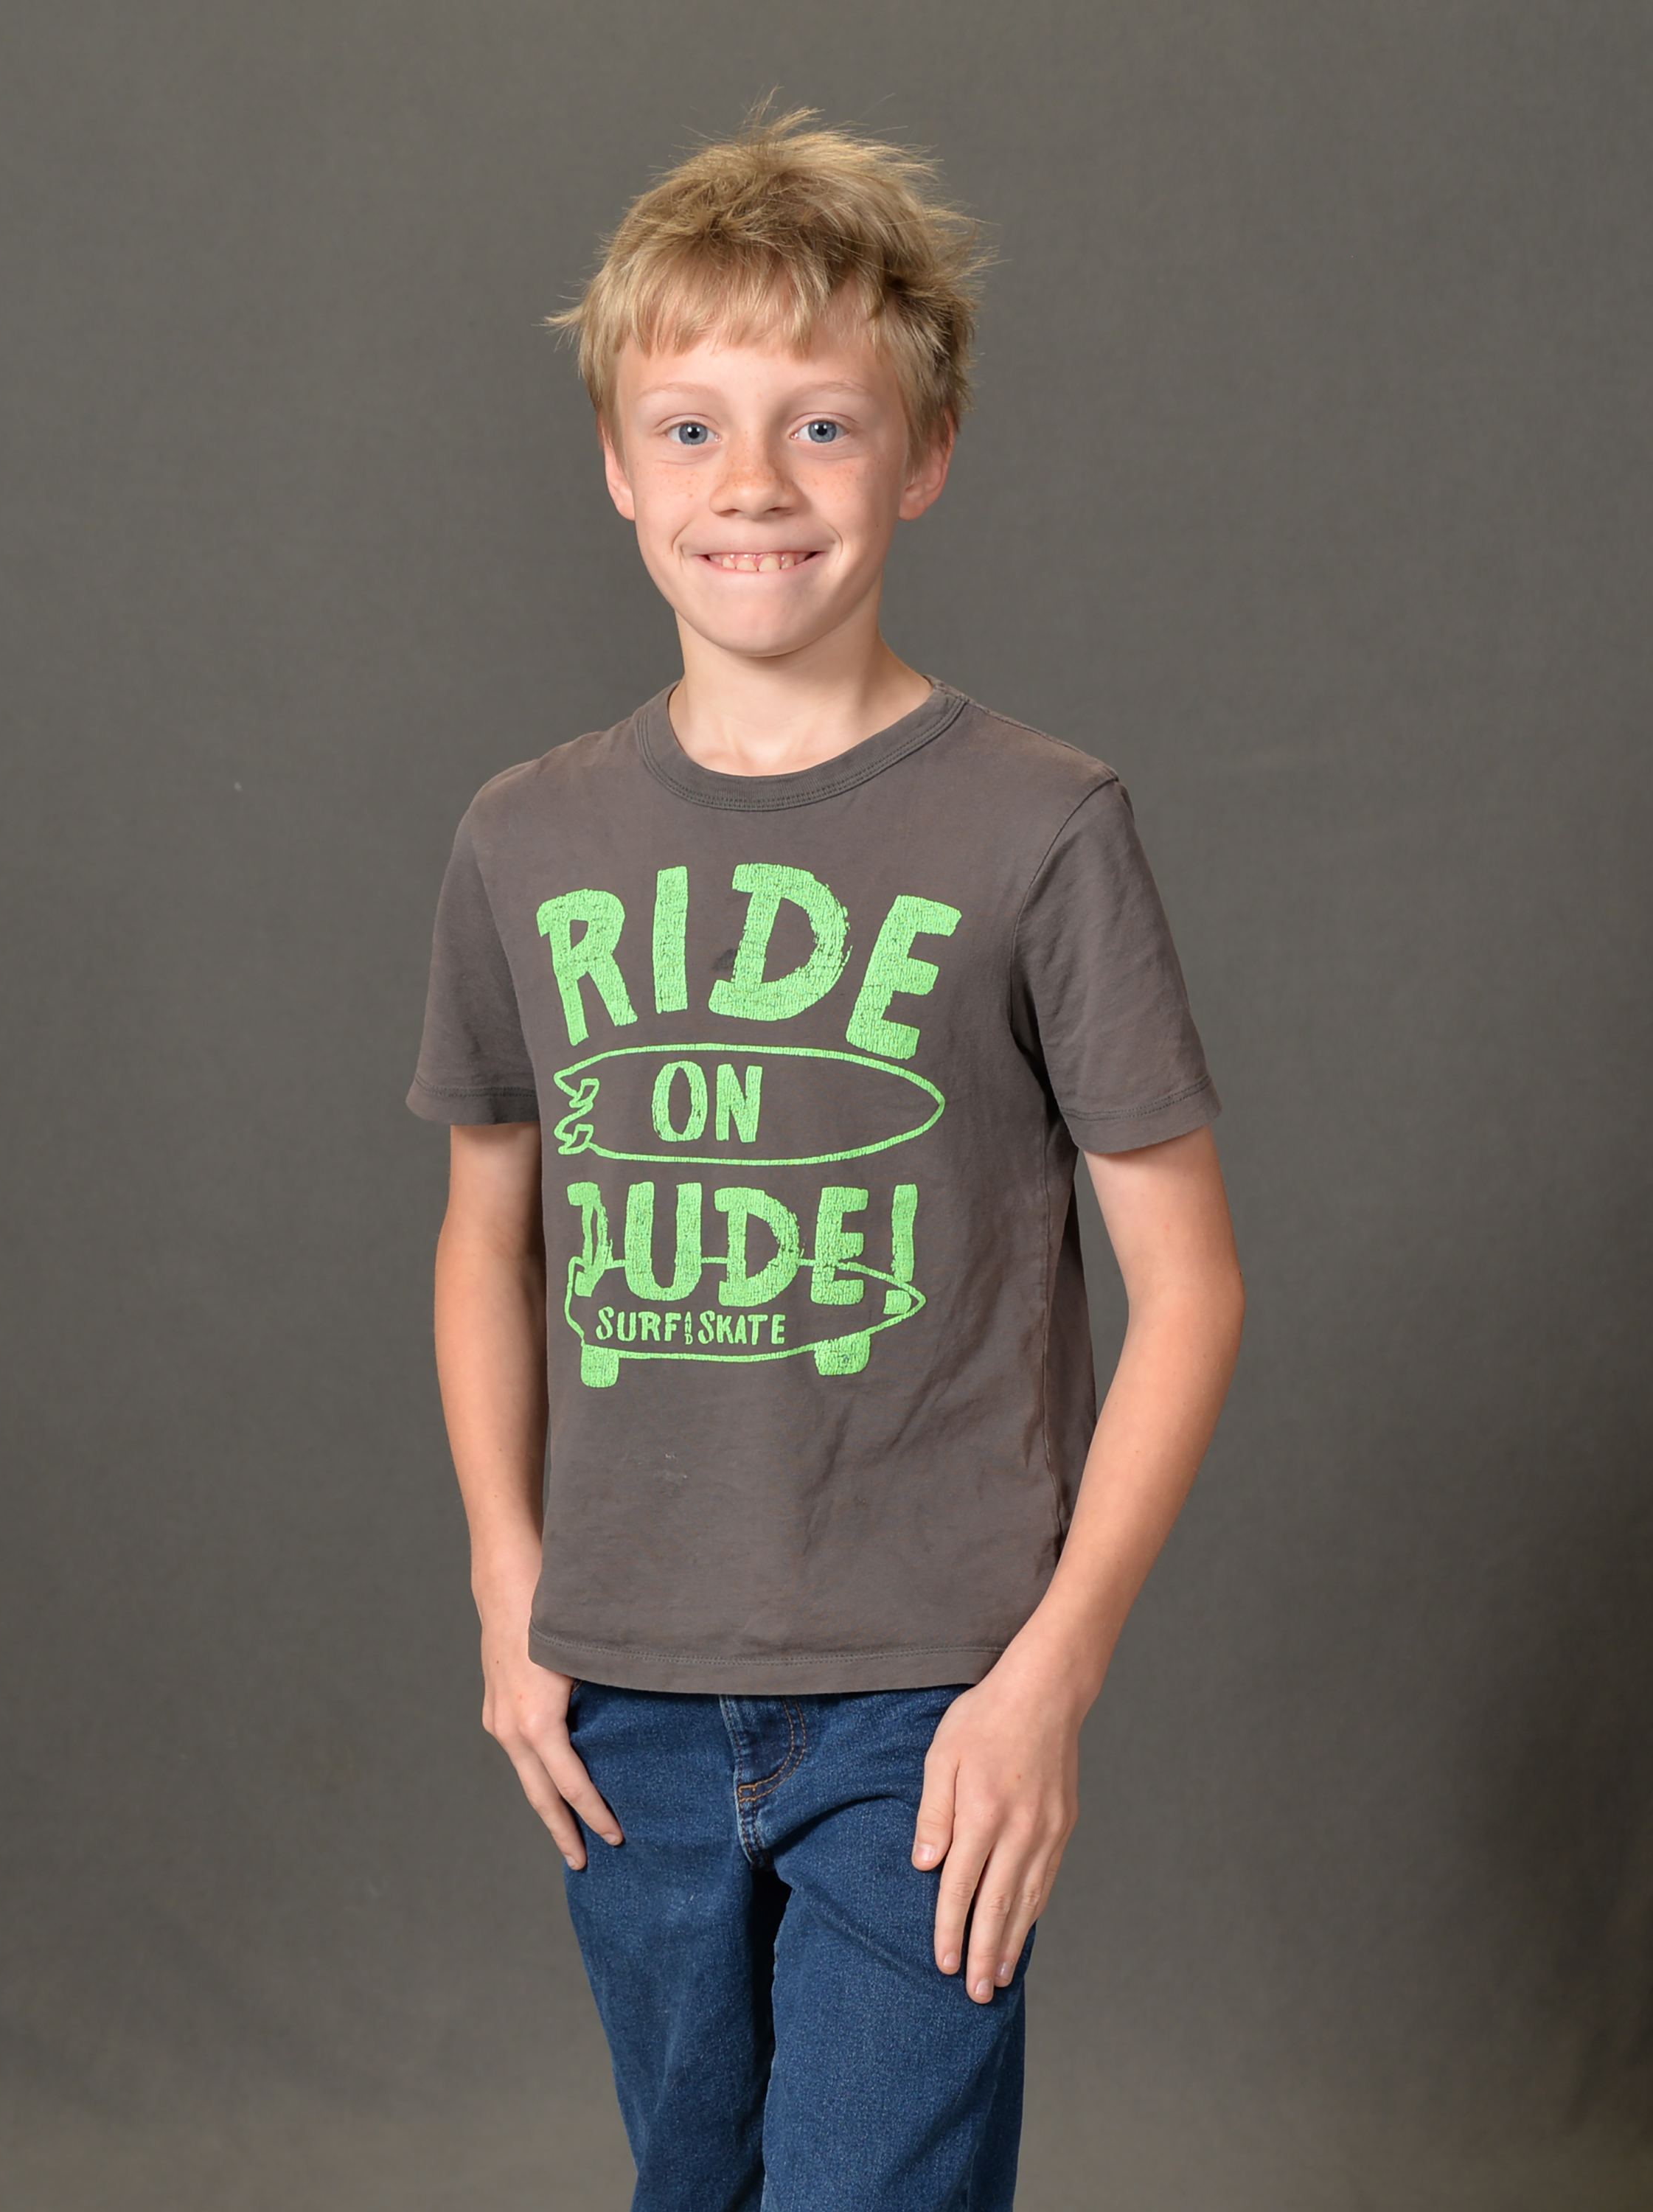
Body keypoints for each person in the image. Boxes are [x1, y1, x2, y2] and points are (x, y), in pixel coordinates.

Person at [408, 105, 1245, 2212]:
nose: (754, 484)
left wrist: (1051, 1672)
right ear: (616, 468)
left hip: (932, 1705)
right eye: (689, 429)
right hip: (624, 1697)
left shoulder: (1041, 827)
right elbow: (488, 1235)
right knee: (691, 2184)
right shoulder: (525, 837)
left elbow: (1192, 1288)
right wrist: (510, 1579)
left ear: (924, 453)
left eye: (824, 427)